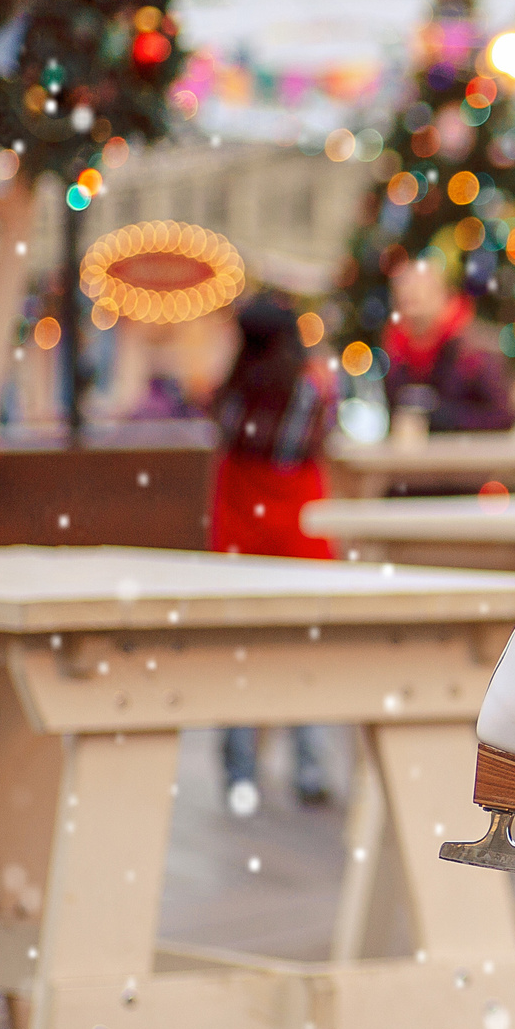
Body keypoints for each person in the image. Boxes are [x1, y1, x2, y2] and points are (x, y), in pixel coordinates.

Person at [209, 291, 340, 812]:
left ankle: (240, 769)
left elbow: (230, 442)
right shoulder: (309, 392)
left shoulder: (233, 393)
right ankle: (309, 765)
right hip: (297, 534)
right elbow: (309, 447)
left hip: (242, 535)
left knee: (242, 651)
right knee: (303, 651)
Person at [383, 247, 515, 432]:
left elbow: (504, 416)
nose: (412, 306)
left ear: (442, 295)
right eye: (405, 298)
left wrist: (447, 418)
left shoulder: (474, 350)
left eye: (420, 295)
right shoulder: (397, 354)